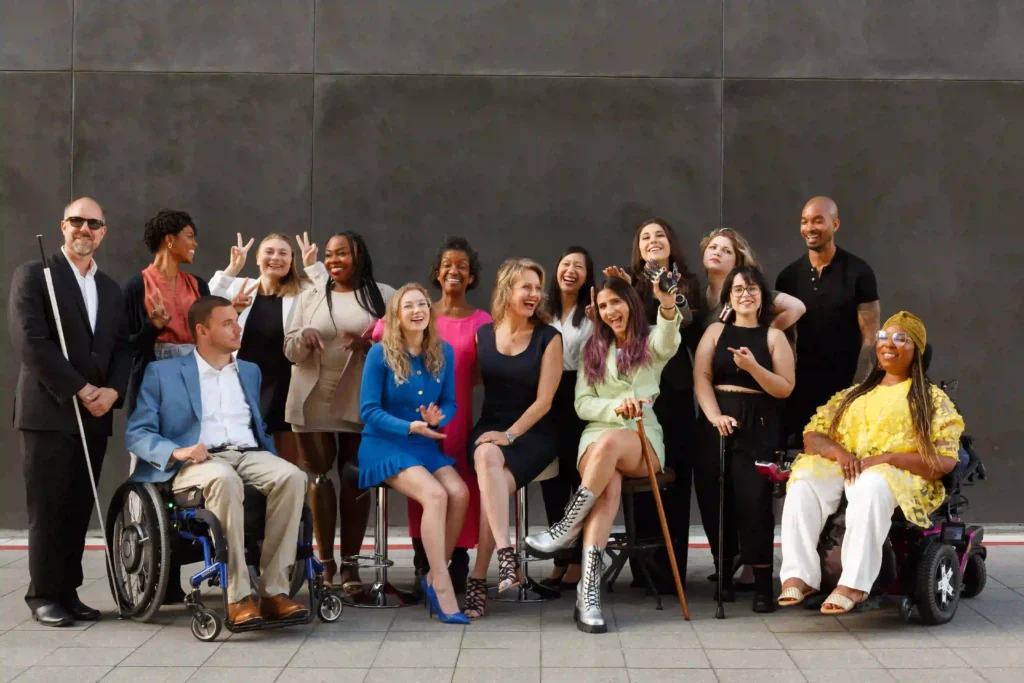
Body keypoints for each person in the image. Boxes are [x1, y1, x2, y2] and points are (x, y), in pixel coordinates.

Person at [126, 296, 310, 626]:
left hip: (249, 453)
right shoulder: (163, 372)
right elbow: (137, 433)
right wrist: (177, 452)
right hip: (196, 461)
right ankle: (238, 596)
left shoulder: (249, 371)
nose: (237, 327)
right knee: (224, 477)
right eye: (227, 323)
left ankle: (273, 592)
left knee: (293, 476)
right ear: (203, 330)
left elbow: (257, 425)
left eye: (236, 320)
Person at [777, 311, 964, 614]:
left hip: (898, 476)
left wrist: (888, 458)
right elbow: (813, 436)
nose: (888, 343)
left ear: (916, 351)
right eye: (883, 336)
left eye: (900, 338)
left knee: (873, 481)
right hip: (849, 466)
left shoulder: (931, 399)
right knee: (804, 479)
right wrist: (841, 454)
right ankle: (800, 575)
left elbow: (944, 461)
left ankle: (853, 583)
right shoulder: (853, 395)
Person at [526, 273, 681, 633]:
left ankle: (566, 529)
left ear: (631, 304)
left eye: (617, 302)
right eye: (604, 305)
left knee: (611, 444)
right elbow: (582, 404)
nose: (611, 310)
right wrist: (616, 407)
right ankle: (589, 593)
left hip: (642, 440)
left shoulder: (650, 343)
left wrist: (668, 304)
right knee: (607, 487)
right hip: (595, 440)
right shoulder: (591, 351)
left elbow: (670, 338)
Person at [8, 197, 132, 626]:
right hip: (50, 412)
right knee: (49, 507)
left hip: (97, 413)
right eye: (76, 221)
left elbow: (121, 348)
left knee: (79, 505)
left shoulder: (111, 289)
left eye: (93, 223)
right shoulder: (34, 275)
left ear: (103, 232)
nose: (84, 229)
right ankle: (43, 594)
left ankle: (68, 590)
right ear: (63, 226)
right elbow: (32, 343)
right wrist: (81, 389)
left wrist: (112, 392)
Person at [284, 231, 395, 593]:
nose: (333, 261)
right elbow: (288, 347)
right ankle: (325, 562)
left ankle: (350, 566)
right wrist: (303, 338)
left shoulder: (385, 295)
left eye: (341, 254)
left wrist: (371, 343)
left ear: (358, 254)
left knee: (355, 475)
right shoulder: (309, 293)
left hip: (360, 397)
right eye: (329, 255)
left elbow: (404, 344)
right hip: (312, 394)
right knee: (318, 477)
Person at [698, 228, 804, 591]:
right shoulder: (714, 331)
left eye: (752, 290)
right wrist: (714, 417)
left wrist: (754, 369)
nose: (745, 295)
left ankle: (761, 581)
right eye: (738, 289)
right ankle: (724, 573)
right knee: (716, 497)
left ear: (762, 297)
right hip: (719, 418)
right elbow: (702, 377)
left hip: (758, 420)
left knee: (754, 501)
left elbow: (785, 387)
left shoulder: (773, 336)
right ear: (729, 295)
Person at [357, 283, 469, 624]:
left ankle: (434, 576)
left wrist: (439, 418)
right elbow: (369, 410)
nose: (418, 310)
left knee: (459, 493)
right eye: (409, 306)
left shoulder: (443, 351)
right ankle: (444, 585)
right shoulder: (380, 353)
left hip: (422, 443)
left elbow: (450, 402)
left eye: (423, 304)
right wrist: (408, 427)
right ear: (396, 315)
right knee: (436, 496)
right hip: (384, 442)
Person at [462, 258, 563, 620]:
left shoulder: (549, 337)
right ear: (507, 289)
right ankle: (506, 558)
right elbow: (465, 376)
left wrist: (510, 435)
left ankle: (478, 578)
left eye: (538, 288)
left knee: (490, 473)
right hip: (492, 425)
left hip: (533, 431)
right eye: (527, 287)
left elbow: (544, 401)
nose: (534, 294)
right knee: (487, 460)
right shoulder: (483, 334)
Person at [604, 218, 698, 592]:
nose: (652, 240)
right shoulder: (627, 281)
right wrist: (624, 290)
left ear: (671, 242)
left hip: (672, 387)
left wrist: (665, 289)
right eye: (645, 236)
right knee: (639, 474)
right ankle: (643, 570)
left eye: (659, 235)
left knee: (673, 477)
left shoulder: (683, 280)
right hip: (635, 389)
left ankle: (672, 571)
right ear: (637, 247)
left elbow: (684, 317)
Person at [208, 232, 328, 465]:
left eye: (283, 253)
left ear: (292, 260)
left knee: (285, 460)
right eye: (269, 252)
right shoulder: (240, 287)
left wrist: (313, 266)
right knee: (246, 454)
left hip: (286, 384)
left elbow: (332, 297)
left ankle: (286, 500)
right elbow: (203, 301)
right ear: (256, 259)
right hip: (245, 385)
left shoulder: (304, 290)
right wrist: (232, 269)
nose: (276, 258)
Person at [776, 197, 880, 445]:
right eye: (804, 221)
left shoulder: (859, 272)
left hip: (846, 384)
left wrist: (856, 391)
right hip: (801, 389)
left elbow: (871, 337)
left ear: (835, 224)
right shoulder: (788, 277)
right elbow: (785, 339)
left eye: (818, 220)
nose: (809, 227)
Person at [539, 246, 596, 591]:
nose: (571, 270)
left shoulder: (592, 312)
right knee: (552, 480)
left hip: (579, 393)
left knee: (580, 479)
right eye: (565, 264)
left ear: (588, 275)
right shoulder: (542, 310)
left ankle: (579, 560)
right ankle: (561, 557)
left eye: (579, 266)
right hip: (546, 395)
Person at [123, 209, 210, 414]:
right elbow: (125, 348)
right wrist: (153, 327)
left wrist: (236, 312)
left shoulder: (198, 285)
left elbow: (211, 337)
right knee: (155, 443)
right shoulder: (136, 286)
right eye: (189, 237)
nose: (194, 244)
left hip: (195, 379)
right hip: (152, 383)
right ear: (169, 239)